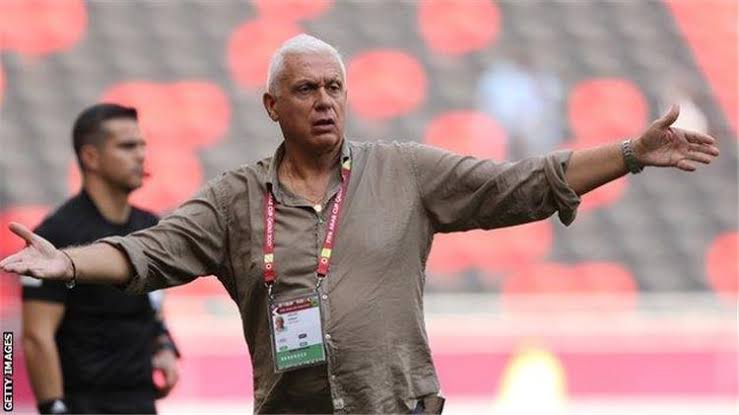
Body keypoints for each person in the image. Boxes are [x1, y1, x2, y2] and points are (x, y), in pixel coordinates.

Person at [1, 35, 719, 414]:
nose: (324, 101)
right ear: (272, 105)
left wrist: (628, 153)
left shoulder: (405, 171)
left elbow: (520, 184)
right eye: (305, 89)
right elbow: (147, 253)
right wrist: (67, 264)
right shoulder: (233, 200)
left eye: (334, 87)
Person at [19, 104, 181, 414]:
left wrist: (163, 344)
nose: (141, 155)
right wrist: (53, 408)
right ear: (91, 157)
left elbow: (153, 306)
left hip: (141, 400)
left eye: (142, 145)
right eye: (127, 146)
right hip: (84, 403)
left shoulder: (150, 227)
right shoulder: (55, 234)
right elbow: (37, 337)